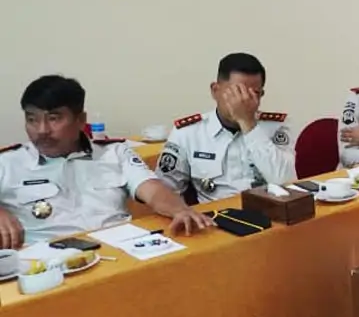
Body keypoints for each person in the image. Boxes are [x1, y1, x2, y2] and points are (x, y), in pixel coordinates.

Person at [0, 75, 213, 248]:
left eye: (54, 118)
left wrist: (179, 209)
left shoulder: (115, 153)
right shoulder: (8, 163)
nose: (42, 130)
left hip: (118, 253)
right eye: (32, 119)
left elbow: (154, 190)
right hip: (44, 265)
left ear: (81, 120)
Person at [156, 53, 296, 203]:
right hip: (216, 218)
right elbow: (164, 191)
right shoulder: (188, 133)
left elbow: (286, 181)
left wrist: (248, 123)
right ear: (215, 90)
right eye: (236, 92)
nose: (243, 100)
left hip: (270, 215)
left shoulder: (277, 126)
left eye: (253, 94)